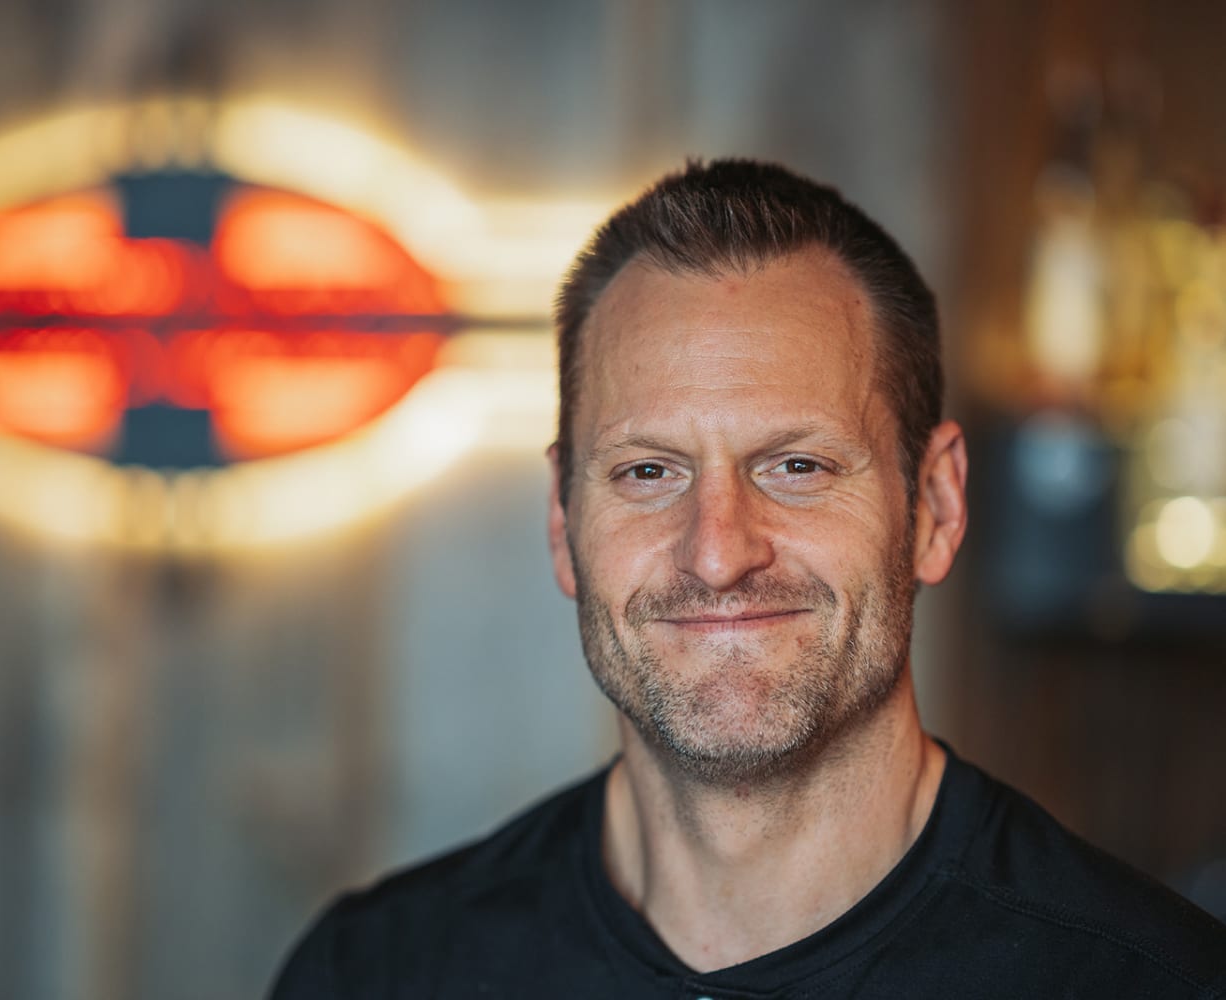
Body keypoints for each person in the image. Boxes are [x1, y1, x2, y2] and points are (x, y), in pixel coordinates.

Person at [270, 159, 1226, 998]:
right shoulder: (377, 974)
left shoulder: (1150, 985)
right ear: (563, 523)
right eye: (648, 472)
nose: (719, 553)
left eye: (796, 466)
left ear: (934, 505)